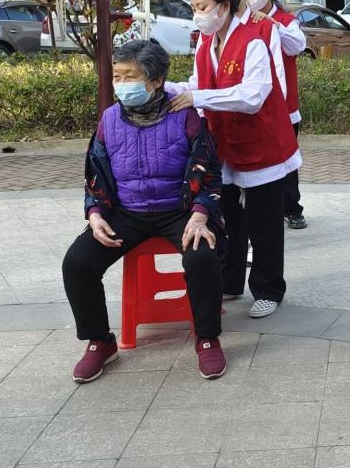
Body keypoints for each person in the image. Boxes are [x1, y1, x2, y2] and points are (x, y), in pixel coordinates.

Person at [61, 40, 227, 382]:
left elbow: (210, 171)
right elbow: (95, 174)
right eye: (117, 76)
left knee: (202, 256)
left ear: (156, 80)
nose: (122, 84)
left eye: (130, 76)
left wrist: (200, 214)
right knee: (78, 262)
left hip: (180, 209)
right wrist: (95, 215)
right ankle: (100, 341)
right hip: (128, 212)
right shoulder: (109, 119)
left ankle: (207, 338)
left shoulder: (186, 117)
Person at [165, 0, 300, 319]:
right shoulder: (205, 42)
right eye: (194, 8)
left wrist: (199, 96)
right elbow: (198, 83)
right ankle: (230, 280)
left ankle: (269, 288)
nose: (197, 15)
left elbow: (253, 96)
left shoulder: (253, 41)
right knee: (228, 219)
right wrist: (167, 89)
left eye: (202, 7)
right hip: (223, 145)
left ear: (223, 7)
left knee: (264, 223)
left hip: (262, 144)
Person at [249, 0, 308, 230]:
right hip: (254, 105)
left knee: (286, 158)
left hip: (285, 106)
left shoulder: (286, 20)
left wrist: (272, 24)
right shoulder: (244, 21)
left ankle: (292, 208)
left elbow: (297, 46)